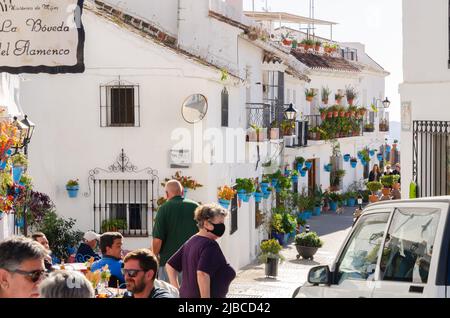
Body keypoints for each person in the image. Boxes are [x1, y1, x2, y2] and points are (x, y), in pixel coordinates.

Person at [166, 204, 236, 298]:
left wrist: (177, 293)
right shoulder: (209, 245)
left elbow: (170, 266)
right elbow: (202, 273)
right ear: (206, 224)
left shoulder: (191, 241)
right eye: (220, 223)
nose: (222, 227)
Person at [152, 180, 199, 282]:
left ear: (167, 194)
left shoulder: (163, 209)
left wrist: (154, 255)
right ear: (182, 192)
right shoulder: (195, 207)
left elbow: (157, 239)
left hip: (169, 262)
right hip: (192, 261)